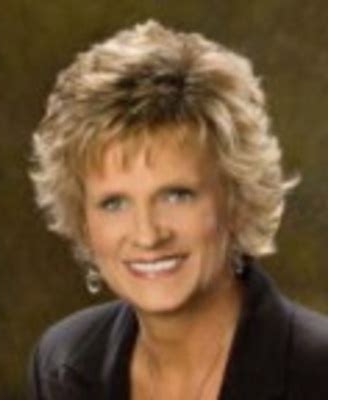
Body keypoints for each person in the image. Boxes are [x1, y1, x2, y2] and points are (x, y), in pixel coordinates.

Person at [28, 20, 327, 400]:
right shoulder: (63, 364)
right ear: (84, 222)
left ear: (237, 200)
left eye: (176, 195)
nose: (147, 235)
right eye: (114, 203)